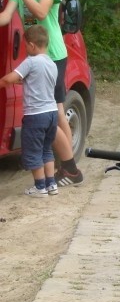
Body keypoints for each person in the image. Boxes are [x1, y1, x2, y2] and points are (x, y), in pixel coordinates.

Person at [0, 0, 84, 187]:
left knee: (53, 113)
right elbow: (6, 17)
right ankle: (68, 166)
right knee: (50, 112)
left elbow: (41, 11)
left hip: (53, 55)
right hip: (35, 56)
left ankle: (69, 166)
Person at [0, 24, 58, 197]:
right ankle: (51, 184)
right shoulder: (51, 64)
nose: (25, 48)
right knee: (46, 149)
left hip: (36, 115)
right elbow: (36, 82)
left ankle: (39, 187)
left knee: (33, 151)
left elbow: (10, 78)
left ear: (32, 45)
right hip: (52, 113)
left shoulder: (31, 62)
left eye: (26, 45)